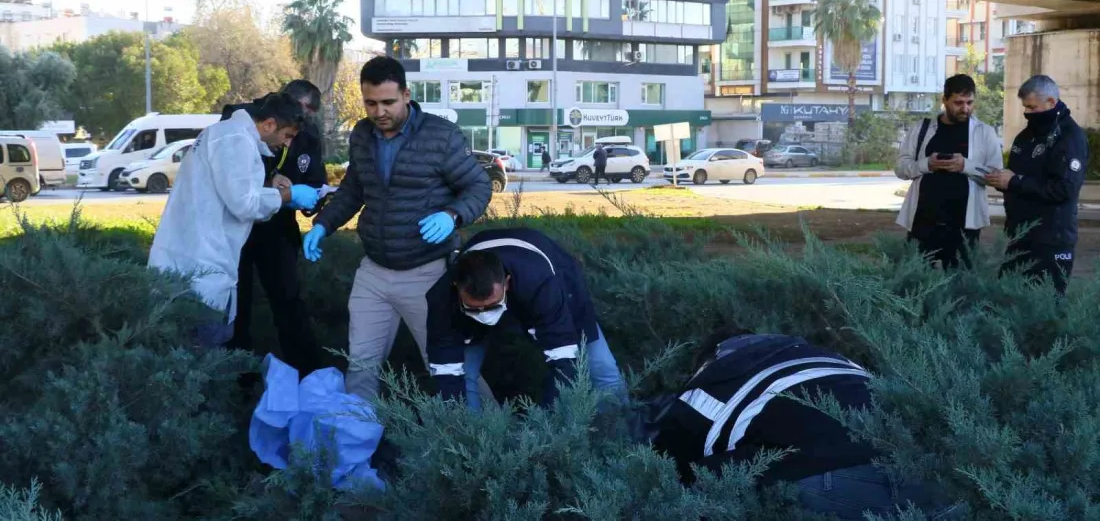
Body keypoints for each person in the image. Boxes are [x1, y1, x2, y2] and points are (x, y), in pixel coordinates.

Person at [302, 56, 493, 401]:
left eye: (388, 102)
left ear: (406, 94)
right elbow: (353, 190)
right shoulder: (362, 135)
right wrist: (322, 225)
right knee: (360, 366)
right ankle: (356, 446)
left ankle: (489, 441)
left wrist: (452, 215)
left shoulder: (441, 136)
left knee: (447, 366)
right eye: (370, 103)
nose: (379, 112)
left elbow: (479, 188)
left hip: (428, 272)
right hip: (374, 272)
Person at [642, 329, 965, 520]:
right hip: (937, 473)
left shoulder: (713, 382)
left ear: (713, 357)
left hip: (838, 480)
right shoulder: (829, 359)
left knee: (713, 477)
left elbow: (668, 467)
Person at [148, 92, 319, 347]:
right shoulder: (236, 139)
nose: (286, 144)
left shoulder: (225, 133)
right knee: (203, 356)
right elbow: (244, 204)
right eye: (287, 136)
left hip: (190, 255)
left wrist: (271, 188)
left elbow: (228, 191)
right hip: (202, 263)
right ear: (269, 124)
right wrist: (286, 196)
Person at [426, 227, 628, 409]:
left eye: (492, 306)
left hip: (556, 285)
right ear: (456, 287)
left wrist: (549, 425)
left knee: (602, 368)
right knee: (463, 373)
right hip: (490, 288)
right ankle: (472, 438)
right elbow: (446, 370)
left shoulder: (543, 284)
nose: (485, 314)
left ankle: (619, 433)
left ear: (507, 282)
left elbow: (564, 361)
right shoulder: (442, 298)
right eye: (475, 309)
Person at [222, 80, 328, 374]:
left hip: (278, 228)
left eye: (308, 114)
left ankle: (306, 374)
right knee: (235, 303)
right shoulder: (241, 120)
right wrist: (273, 187)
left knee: (289, 300)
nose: (302, 119)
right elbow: (233, 183)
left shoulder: (308, 135)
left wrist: (310, 200)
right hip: (238, 227)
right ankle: (236, 376)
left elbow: (314, 179)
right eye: (299, 110)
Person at [986, 75, 1088, 294]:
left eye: (1032, 107)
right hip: (1020, 235)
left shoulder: (1070, 137)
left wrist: (1016, 182)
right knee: (1006, 300)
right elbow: (1019, 178)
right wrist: (1003, 181)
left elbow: (1064, 189)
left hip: (1051, 240)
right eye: (1025, 108)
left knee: (1044, 308)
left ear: (1051, 102)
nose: (1028, 114)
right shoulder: (1026, 136)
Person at [895, 74, 1003, 268]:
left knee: (960, 285)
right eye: (958, 102)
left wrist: (966, 166)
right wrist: (927, 164)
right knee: (914, 280)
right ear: (944, 100)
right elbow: (901, 169)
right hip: (923, 221)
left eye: (970, 102)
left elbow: (997, 176)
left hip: (964, 224)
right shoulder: (922, 129)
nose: (965, 108)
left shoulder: (984, 132)